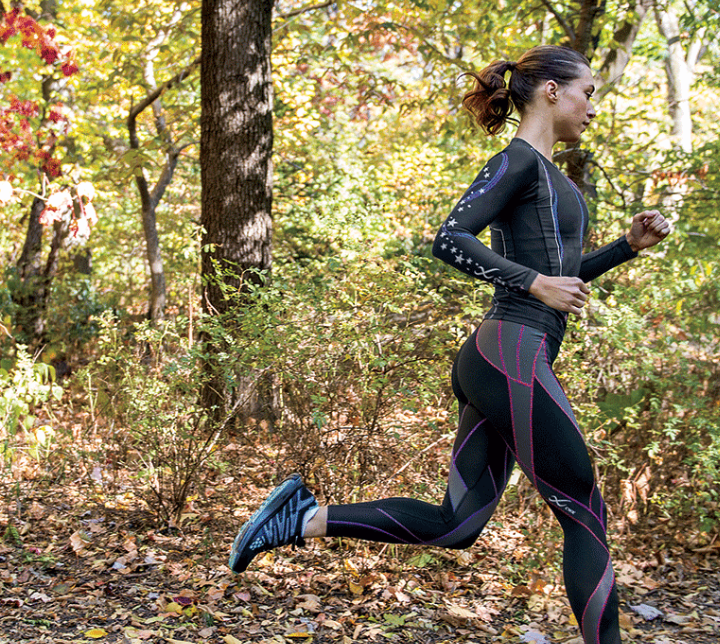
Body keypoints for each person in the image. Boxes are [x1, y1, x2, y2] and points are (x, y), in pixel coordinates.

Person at [228, 44, 671, 644]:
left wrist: (625, 247)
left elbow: (557, 277)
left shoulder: (547, 174)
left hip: (505, 358)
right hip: (509, 354)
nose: (592, 106)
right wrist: (532, 282)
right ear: (549, 92)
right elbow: (451, 239)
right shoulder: (517, 160)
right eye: (587, 92)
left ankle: (300, 518)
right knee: (584, 514)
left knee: (456, 525)